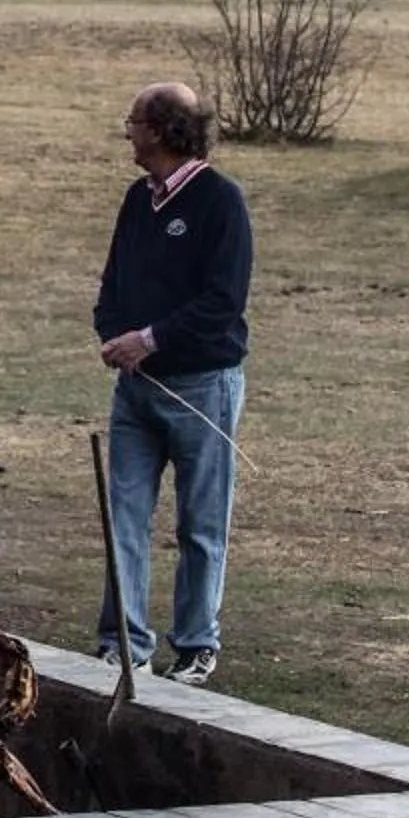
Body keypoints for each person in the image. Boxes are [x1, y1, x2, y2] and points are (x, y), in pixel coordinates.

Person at [93, 80, 251, 689]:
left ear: (159, 129)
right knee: (125, 514)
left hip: (203, 388)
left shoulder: (220, 201)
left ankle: (195, 645)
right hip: (135, 390)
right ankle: (125, 643)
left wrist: (150, 339)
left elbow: (223, 301)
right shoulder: (138, 199)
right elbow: (115, 282)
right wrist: (111, 334)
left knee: (200, 523)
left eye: (132, 121)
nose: (126, 131)